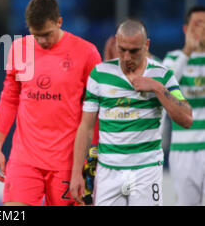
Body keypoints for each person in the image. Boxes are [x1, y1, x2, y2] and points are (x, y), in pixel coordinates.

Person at [0, 0, 102, 206]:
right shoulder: (19, 49)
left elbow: (95, 111)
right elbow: (8, 100)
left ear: (59, 22)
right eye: (36, 35)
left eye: (47, 34)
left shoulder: (87, 53)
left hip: (67, 162)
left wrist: (90, 157)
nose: (42, 41)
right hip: (25, 158)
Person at [70, 19, 193, 206]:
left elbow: (186, 118)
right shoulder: (99, 74)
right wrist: (76, 173)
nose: (127, 57)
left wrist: (157, 88)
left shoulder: (162, 75)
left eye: (134, 51)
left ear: (147, 45)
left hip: (146, 169)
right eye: (122, 49)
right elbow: (86, 128)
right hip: (108, 170)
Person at [162, 5, 205, 205]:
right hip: (183, 148)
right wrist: (188, 51)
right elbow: (166, 88)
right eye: (198, 23)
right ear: (186, 29)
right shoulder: (172, 58)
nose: (203, 28)